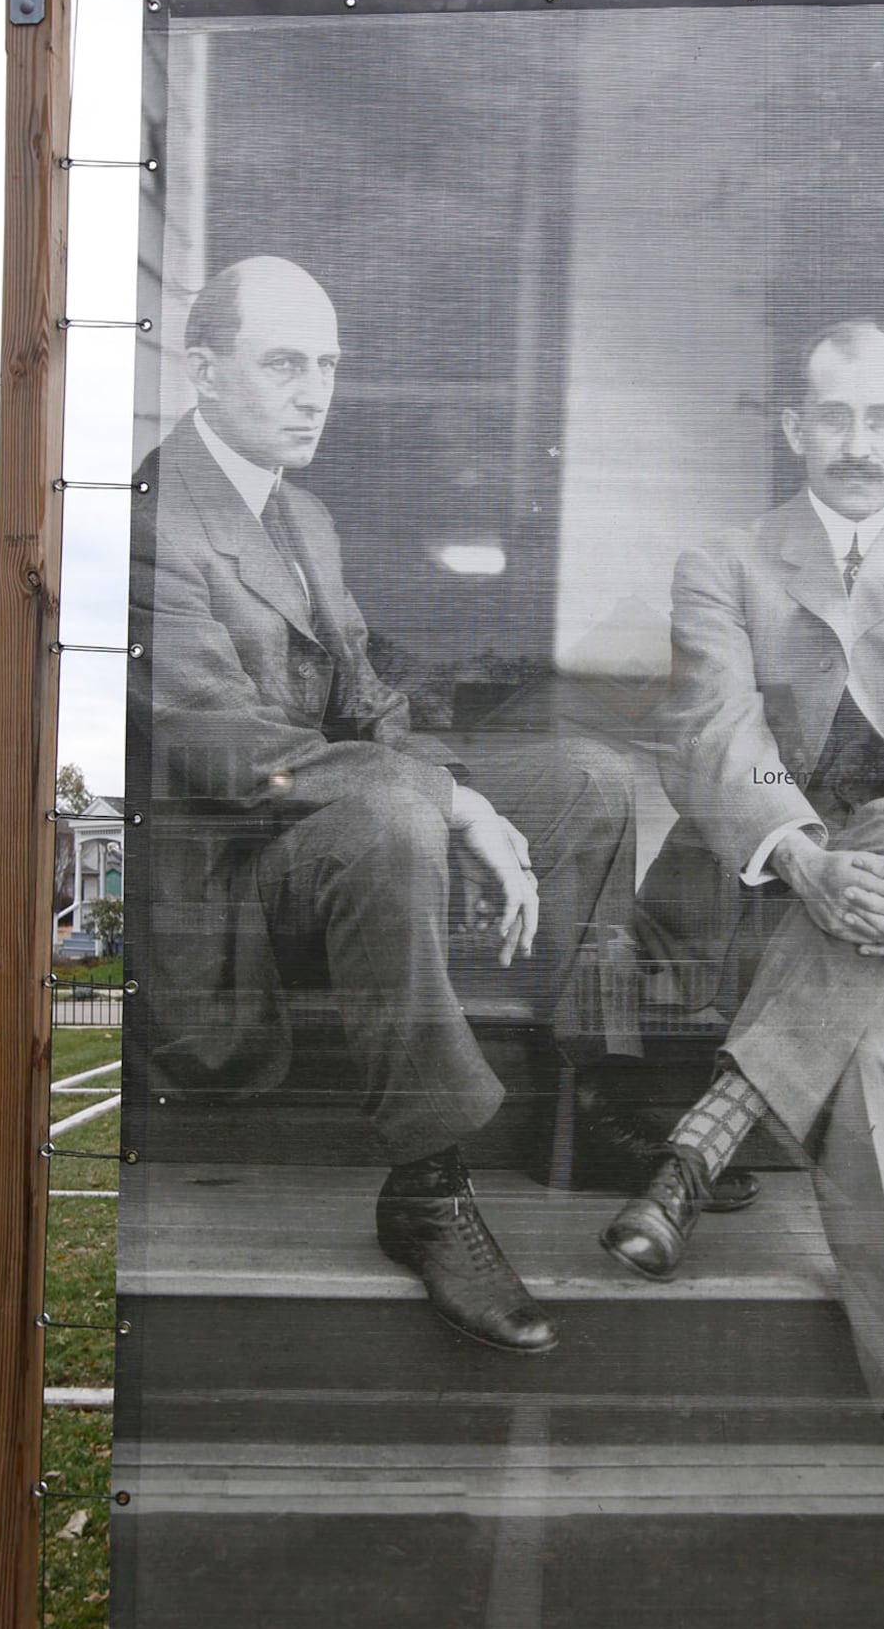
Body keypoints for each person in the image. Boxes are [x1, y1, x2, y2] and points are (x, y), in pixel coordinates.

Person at [136, 254, 657, 1357]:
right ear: (202, 369)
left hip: (330, 832)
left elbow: (367, 701)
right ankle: (427, 1186)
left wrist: (458, 787)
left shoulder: (302, 517)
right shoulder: (157, 521)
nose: (315, 389)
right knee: (395, 814)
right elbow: (220, 748)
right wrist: (452, 805)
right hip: (230, 894)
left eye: (326, 363)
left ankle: (584, 1090)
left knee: (589, 784)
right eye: (284, 362)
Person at [607, 316, 884, 1497]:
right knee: (862, 1054)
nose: (857, 443)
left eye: (881, 418)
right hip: (748, 893)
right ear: (793, 427)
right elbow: (713, 728)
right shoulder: (722, 562)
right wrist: (805, 855)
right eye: (833, 415)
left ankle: (697, 1150)